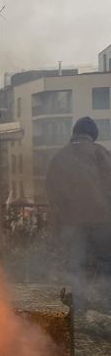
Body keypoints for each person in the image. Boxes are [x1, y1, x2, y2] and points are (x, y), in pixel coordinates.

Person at [46, 116, 111, 306]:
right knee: (106, 261)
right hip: (102, 220)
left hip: (71, 222)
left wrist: (60, 219)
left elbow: (52, 193)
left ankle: (79, 307)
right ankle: (106, 305)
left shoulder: (59, 158)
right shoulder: (101, 153)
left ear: (75, 133)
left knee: (76, 266)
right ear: (93, 135)